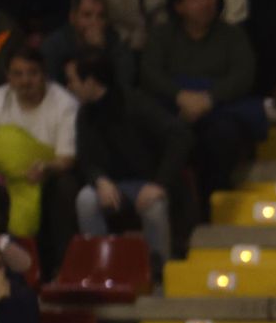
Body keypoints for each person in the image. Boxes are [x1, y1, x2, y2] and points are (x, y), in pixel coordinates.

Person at [141, 0, 262, 217]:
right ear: (180, 6)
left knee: (222, 137)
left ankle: (215, 206)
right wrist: (180, 96)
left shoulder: (232, 35)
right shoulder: (163, 35)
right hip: (174, 110)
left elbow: (243, 75)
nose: (206, 3)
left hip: (217, 111)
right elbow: (150, 73)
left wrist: (208, 99)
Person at [70, 48, 191, 268]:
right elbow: (85, 158)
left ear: (90, 82)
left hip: (146, 181)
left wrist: (160, 183)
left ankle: (159, 271)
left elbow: (178, 135)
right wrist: (99, 180)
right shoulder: (85, 113)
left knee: (154, 208)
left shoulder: (135, 103)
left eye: (75, 81)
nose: (71, 87)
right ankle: (101, 266)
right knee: (86, 200)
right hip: (111, 184)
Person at [0, 46, 79, 241]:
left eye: (32, 73)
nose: (25, 81)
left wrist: (47, 167)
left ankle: (59, 264)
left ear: (44, 75)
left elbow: (66, 158)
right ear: (8, 76)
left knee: (64, 187)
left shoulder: (65, 104)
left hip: (42, 175)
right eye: (18, 74)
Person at [40, 0, 135, 91]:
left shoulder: (114, 40)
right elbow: (50, 88)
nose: (94, 22)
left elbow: (126, 82)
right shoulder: (54, 46)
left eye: (101, 16)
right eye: (87, 15)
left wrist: (99, 53)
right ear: (73, 17)